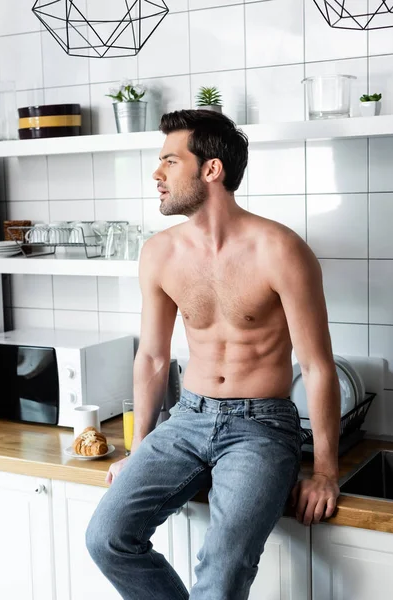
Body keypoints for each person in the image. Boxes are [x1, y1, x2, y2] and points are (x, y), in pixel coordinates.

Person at [86, 109, 341, 600]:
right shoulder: (159, 253)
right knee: (107, 538)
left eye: (168, 161)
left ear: (211, 170)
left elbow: (316, 366)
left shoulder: (280, 249)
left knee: (221, 572)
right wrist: (140, 447)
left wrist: (325, 472)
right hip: (187, 419)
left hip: (262, 427)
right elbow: (154, 359)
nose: (156, 174)